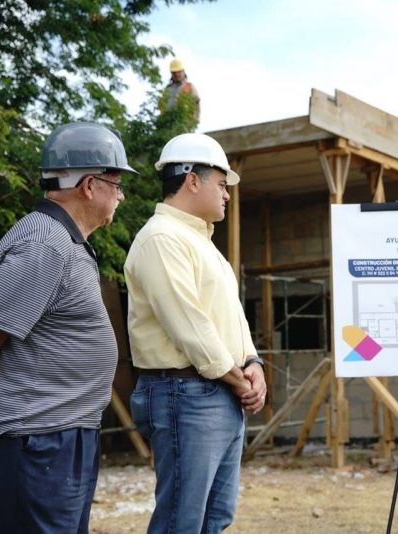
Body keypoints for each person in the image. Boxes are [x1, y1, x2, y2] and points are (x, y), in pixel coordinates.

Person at [0, 122, 136, 532]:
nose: (121, 195)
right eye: (117, 183)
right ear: (90, 185)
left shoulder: (62, 240)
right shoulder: (44, 244)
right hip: (35, 443)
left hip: (59, 437)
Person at [126, 132, 266, 533]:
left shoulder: (201, 242)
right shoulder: (161, 238)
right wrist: (242, 381)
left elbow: (230, 317)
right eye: (221, 184)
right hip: (183, 394)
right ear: (192, 179)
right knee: (182, 522)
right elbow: (190, 326)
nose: (226, 195)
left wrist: (252, 362)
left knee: (215, 519)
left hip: (216, 391)